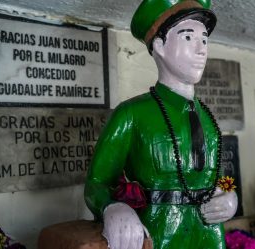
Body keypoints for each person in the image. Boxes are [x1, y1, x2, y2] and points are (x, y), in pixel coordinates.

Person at [84, 1, 237, 248]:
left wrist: (230, 199)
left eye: (205, 39)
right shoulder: (132, 114)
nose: (201, 50)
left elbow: (217, 178)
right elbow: (97, 182)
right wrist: (112, 207)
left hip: (210, 236)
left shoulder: (208, 118)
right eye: (188, 37)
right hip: (159, 235)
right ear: (160, 46)